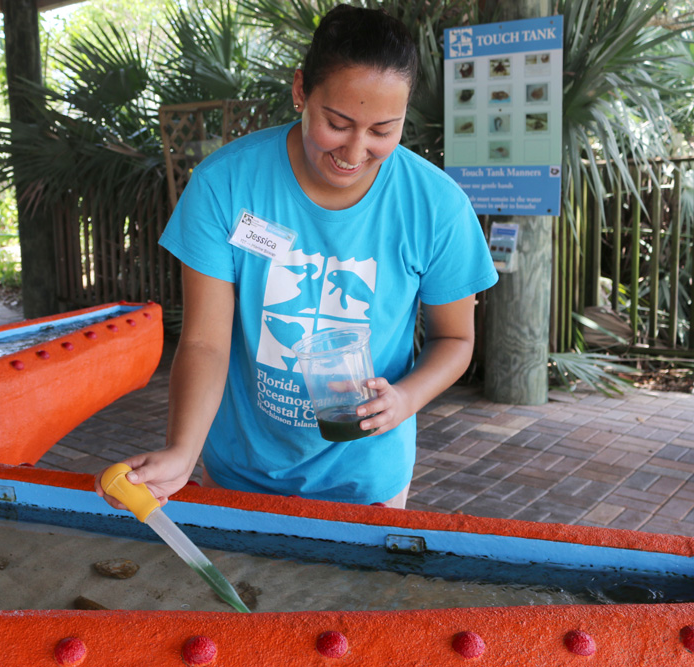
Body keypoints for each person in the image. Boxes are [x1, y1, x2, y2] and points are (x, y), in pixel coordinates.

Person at [97, 4, 498, 510]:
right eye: (338, 122)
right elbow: (204, 343)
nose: (355, 151)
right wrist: (183, 450)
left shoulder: (437, 206)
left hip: (367, 475)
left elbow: (456, 339)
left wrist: (405, 399)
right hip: (241, 466)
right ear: (301, 89)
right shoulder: (225, 185)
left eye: (382, 130)